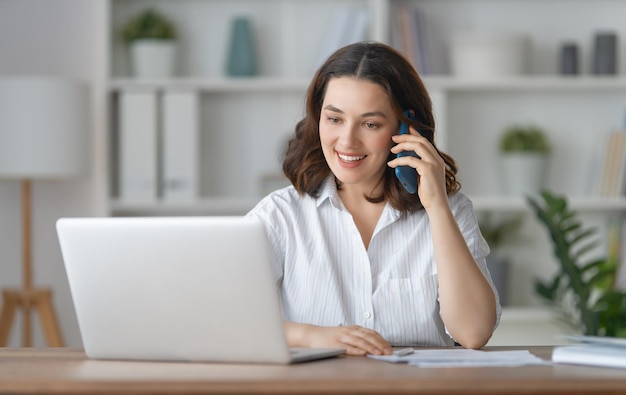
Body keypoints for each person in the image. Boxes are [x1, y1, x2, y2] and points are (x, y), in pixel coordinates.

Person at [246, 41, 500, 356]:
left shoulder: (449, 211)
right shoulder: (280, 215)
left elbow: (474, 332)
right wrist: (314, 337)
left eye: (370, 124)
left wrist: (436, 206)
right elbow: (219, 316)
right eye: (335, 119)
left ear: (406, 128)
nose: (347, 141)